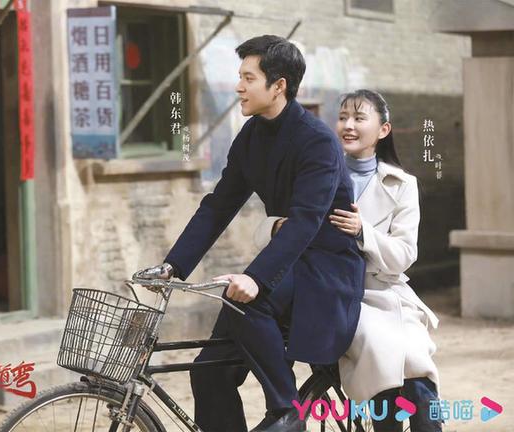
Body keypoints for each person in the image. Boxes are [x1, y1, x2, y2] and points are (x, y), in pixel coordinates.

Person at [139, 35, 365, 432]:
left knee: (247, 299)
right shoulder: (252, 135)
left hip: (325, 268)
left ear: (279, 86)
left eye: (248, 78)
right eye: (239, 77)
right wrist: (173, 265)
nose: (238, 87)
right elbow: (219, 205)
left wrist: (256, 278)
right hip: (286, 261)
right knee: (208, 370)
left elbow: (306, 220)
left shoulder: (317, 141)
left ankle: (287, 410)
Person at [255, 89, 442, 432]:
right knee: (382, 351)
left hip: (385, 292)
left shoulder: (402, 185)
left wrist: (362, 231)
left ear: (383, 130)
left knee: (416, 361)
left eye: (359, 118)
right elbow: (267, 227)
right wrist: (280, 226)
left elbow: (404, 255)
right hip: (332, 292)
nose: (348, 126)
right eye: (342, 118)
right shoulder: (315, 169)